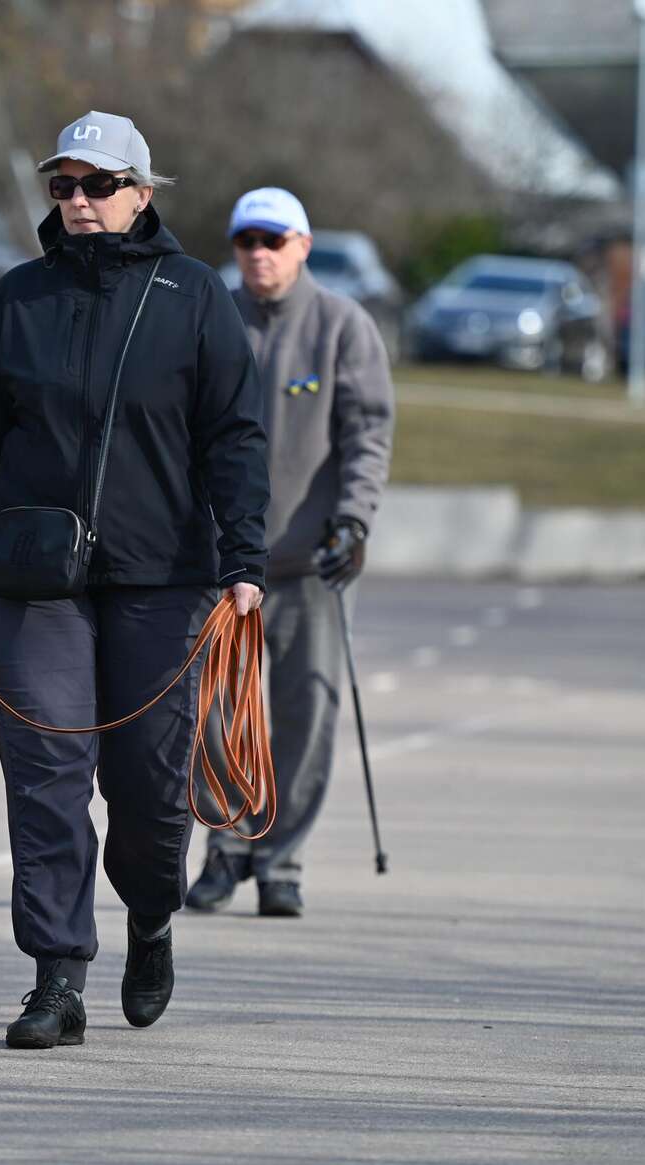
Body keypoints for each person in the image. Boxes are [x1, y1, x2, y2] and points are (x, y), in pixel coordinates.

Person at [0, 111, 269, 1050]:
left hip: (163, 577)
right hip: (30, 575)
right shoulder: (19, 298)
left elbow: (236, 438)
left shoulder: (195, 296)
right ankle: (56, 976)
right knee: (47, 772)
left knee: (146, 786)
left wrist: (244, 559)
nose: (80, 203)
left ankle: (153, 914)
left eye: (99, 185)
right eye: (65, 186)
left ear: (142, 191)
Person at [185, 188, 394, 919]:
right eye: (247, 241)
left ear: (304, 245)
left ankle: (281, 859)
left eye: (275, 239)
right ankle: (227, 847)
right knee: (214, 712)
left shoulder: (343, 327)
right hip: (218, 561)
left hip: (310, 562)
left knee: (307, 712)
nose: (260, 254)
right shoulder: (212, 318)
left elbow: (368, 435)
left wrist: (353, 522)